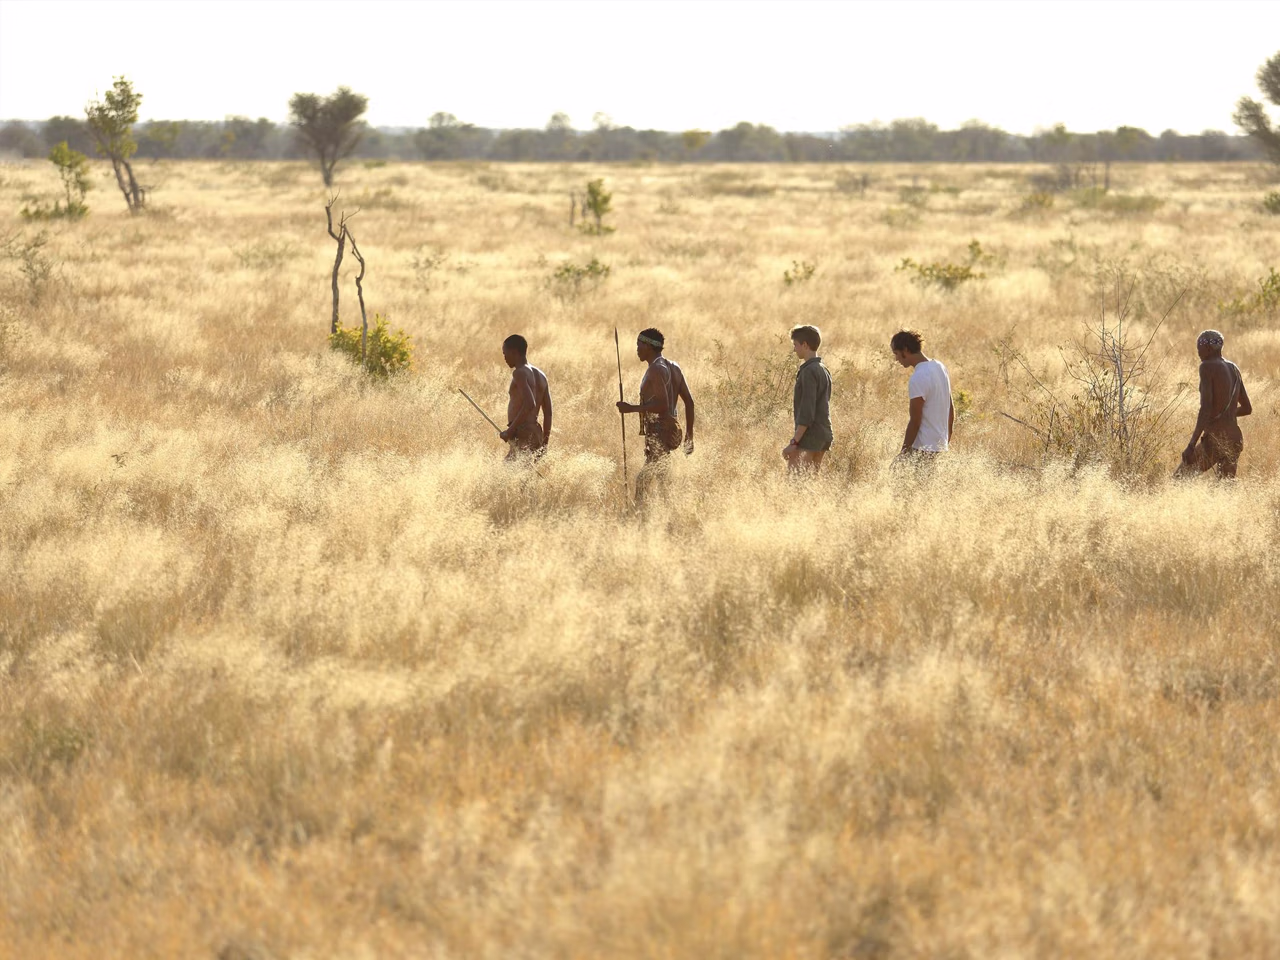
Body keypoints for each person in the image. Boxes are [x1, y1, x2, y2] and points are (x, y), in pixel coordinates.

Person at [615, 328, 691, 503]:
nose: (637, 349)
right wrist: (689, 436)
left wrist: (631, 408)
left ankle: (639, 514)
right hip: (665, 432)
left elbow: (663, 405)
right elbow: (689, 402)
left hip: (659, 432)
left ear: (648, 346)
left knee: (643, 481)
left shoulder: (656, 369)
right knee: (663, 480)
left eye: (639, 345)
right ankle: (664, 512)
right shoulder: (670, 367)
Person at [1181, 329, 1251, 478]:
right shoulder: (1234, 368)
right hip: (1234, 438)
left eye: (1199, 349)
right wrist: (1228, 414)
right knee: (1224, 487)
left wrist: (1191, 444)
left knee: (1179, 480)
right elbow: (1247, 408)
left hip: (1215, 438)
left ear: (1207, 348)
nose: (1198, 353)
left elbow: (1206, 409)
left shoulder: (1207, 366)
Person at [890, 329, 952, 463]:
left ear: (905, 350)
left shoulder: (918, 377)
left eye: (896, 354)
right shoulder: (940, 367)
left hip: (922, 448)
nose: (896, 359)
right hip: (940, 445)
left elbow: (915, 421)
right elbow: (950, 408)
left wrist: (903, 453)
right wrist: (946, 439)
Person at [782, 324, 833, 472]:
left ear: (805, 345)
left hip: (809, 437)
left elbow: (807, 411)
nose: (794, 349)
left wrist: (794, 442)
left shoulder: (808, 371)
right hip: (824, 434)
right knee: (812, 481)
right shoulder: (823, 369)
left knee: (795, 481)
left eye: (795, 345)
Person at [498, 334, 552, 460]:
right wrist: (544, 443)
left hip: (522, 433)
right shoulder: (542, 376)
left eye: (505, 354)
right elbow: (548, 412)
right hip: (535, 432)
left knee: (508, 470)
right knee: (525, 471)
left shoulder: (519, 373)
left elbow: (530, 404)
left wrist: (510, 431)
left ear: (514, 352)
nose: (504, 358)